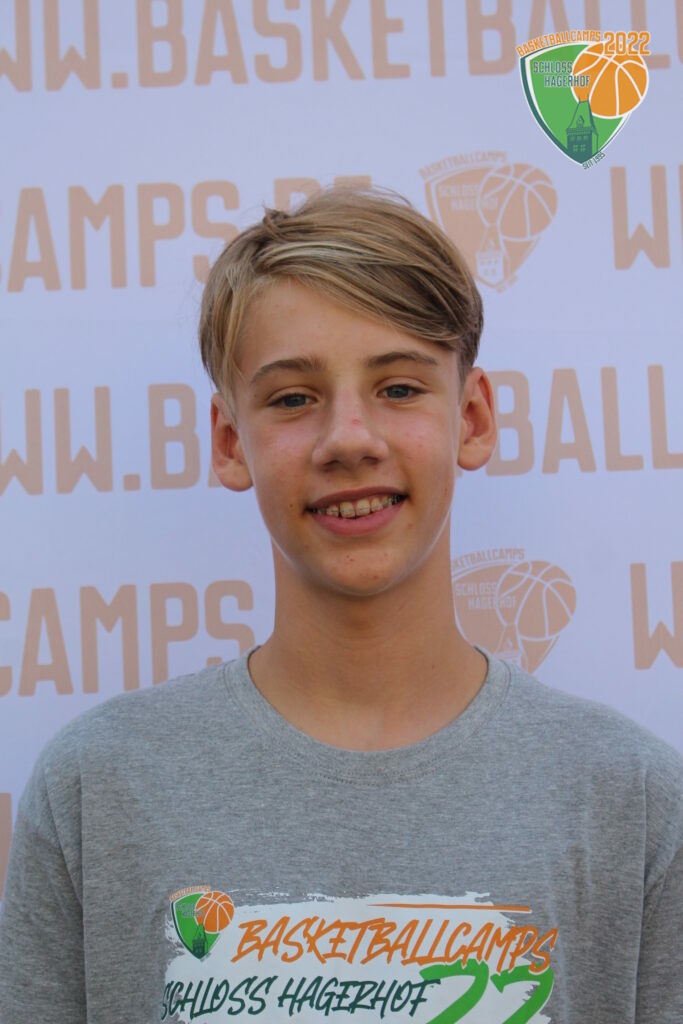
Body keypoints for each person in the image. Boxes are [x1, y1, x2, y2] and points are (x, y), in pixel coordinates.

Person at [0, 187, 681, 1024]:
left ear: (471, 418)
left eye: (398, 388)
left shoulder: (629, 798)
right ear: (230, 442)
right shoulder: (97, 788)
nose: (349, 439)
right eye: (293, 398)